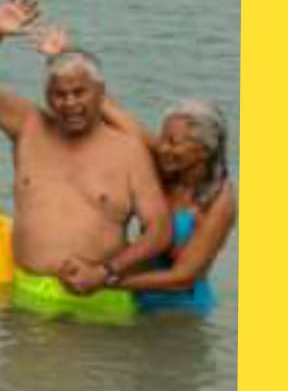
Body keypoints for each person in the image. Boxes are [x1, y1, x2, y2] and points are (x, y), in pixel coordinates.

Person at [0, 0, 172, 310]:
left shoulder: (127, 151)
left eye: (79, 92)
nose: (69, 103)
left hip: (100, 297)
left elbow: (160, 230)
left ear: (100, 93)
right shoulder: (30, 126)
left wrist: (105, 272)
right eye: (58, 94)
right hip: (27, 295)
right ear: (46, 96)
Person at [98, 91, 236, 312]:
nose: (162, 148)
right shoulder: (167, 163)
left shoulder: (219, 200)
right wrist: (67, 61)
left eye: (172, 142)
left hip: (179, 316)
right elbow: (117, 117)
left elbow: (183, 278)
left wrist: (104, 281)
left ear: (203, 151)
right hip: (134, 300)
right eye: (163, 138)